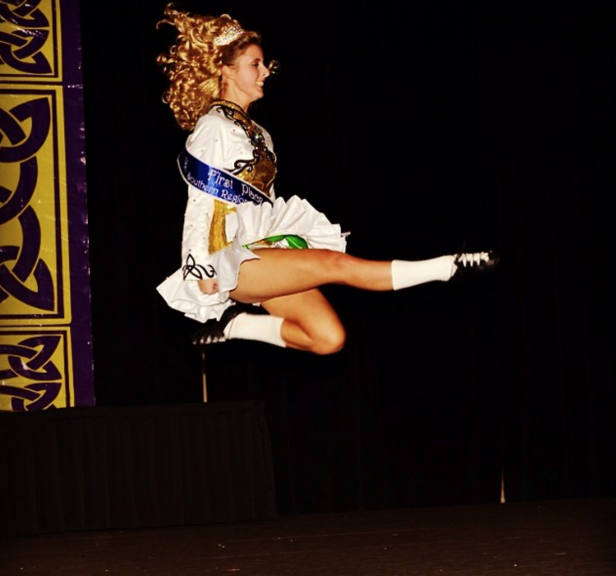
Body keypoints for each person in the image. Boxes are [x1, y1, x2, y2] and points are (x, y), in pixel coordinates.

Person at [155, 4, 499, 355]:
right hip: (229, 258)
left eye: (263, 64)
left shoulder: (260, 134)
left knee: (328, 338)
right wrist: (198, 268)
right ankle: (447, 267)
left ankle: (236, 325)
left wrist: (279, 244)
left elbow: (261, 204)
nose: (265, 72)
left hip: (262, 250)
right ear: (225, 71)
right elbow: (201, 204)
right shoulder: (215, 126)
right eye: (254, 65)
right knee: (336, 265)